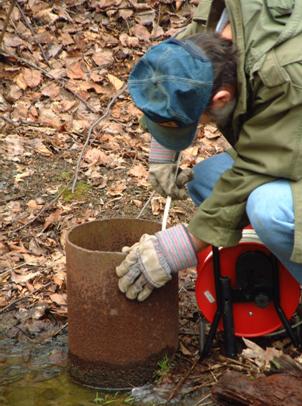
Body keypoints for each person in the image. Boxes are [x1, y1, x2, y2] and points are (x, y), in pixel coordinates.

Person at [116, 0, 302, 302]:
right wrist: (163, 154)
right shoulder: (216, 25)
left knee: (268, 210)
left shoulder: (284, 73)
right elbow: (173, 69)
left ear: (220, 99)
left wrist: (181, 246)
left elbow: (258, 165)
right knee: (206, 179)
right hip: (289, 142)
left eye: (194, 123)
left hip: (292, 142)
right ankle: (280, 273)